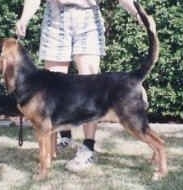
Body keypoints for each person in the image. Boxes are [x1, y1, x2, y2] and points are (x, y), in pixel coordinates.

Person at [16, 0, 142, 172]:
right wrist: (24, 18)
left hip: (87, 19)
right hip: (55, 20)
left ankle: (88, 147)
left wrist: (137, 13)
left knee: (92, 88)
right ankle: (54, 147)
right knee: (52, 88)